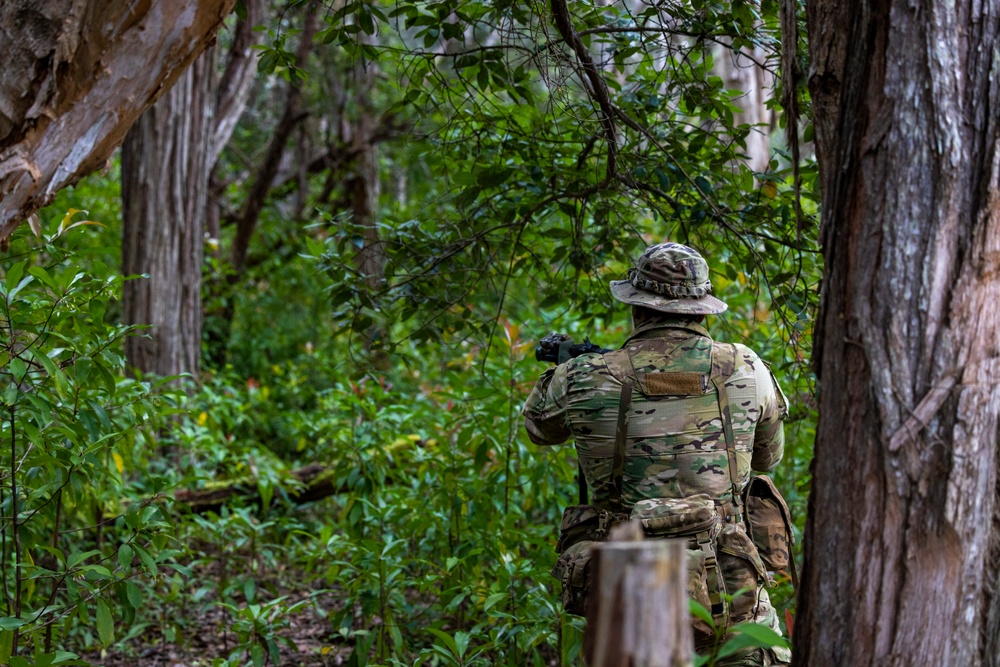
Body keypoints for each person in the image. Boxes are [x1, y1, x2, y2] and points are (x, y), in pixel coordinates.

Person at [522, 242, 791, 666]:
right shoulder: (747, 368)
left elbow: (537, 428)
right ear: (702, 308)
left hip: (627, 599)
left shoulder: (581, 378)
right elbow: (766, 459)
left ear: (636, 306)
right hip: (734, 596)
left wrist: (573, 374)